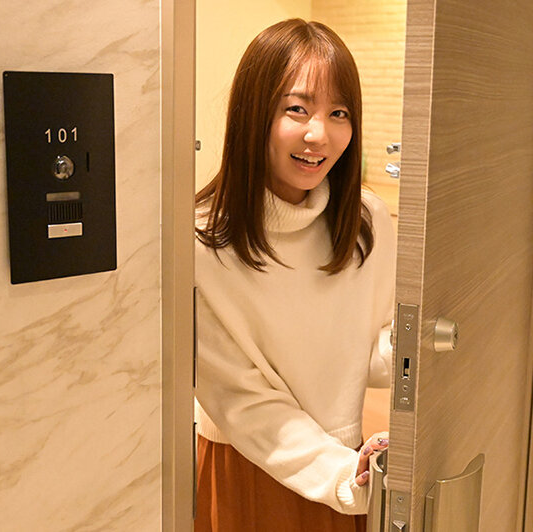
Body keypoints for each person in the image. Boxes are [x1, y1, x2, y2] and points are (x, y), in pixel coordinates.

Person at [194, 18, 396, 532]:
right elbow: (243, 402)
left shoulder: (366, 221)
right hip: (248, 470)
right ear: (254, 112)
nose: (319, 135)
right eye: (297, 109)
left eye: (338, 113)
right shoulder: (201, 241)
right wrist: (340, 475)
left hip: (346, 465)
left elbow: (372, 348)